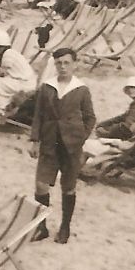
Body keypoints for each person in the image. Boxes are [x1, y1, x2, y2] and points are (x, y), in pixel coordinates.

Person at [27, 47, 95, 244]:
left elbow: (90, 117)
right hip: (49, 142)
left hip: (71, 146)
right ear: (54, 64)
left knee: (68, 187)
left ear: (74, 64)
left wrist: (80, 138)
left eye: (67, 63)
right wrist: (34, 139)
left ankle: (65, 226)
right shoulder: (47, 87)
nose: (63, 67)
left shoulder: (81, 89)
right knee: (41, 185)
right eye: (59, 63)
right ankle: (41, 227)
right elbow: (38, 114)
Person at [94, 77, 135, 141]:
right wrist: (104, 123)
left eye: (134, 87)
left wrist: (106, 132)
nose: (131, 90)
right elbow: (123, 116)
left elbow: (126, 128)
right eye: (129, 88)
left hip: (132, 138)